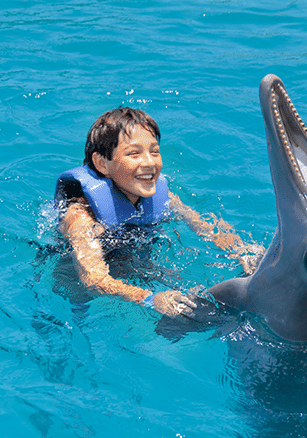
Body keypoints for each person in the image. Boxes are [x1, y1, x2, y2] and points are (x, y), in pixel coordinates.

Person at [55, 107, 263, 317]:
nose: (149, 162)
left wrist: (239, 249)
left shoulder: (163, 197)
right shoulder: (81, 217)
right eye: (134, 153)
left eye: (154, 151)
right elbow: (93, 280)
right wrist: (150, 299)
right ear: (102, 164)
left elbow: (205, 227)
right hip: (77, 287)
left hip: (135, 262)